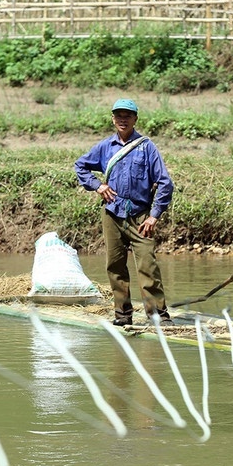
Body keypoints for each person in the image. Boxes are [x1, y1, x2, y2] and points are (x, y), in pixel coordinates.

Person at [75, 99, 175, 326]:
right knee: (115, 266)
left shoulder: (146, 147)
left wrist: (154, 216)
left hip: (141, 216)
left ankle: (158, 316)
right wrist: (97, 185)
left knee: (148, 266)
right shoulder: (104, 147)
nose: (123, 119)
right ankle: (122, 315)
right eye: (118, 115)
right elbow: (80, 166)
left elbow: (165, 183)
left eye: (127, 115)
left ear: (135, 119)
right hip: (112, 214)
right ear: (112, 119)